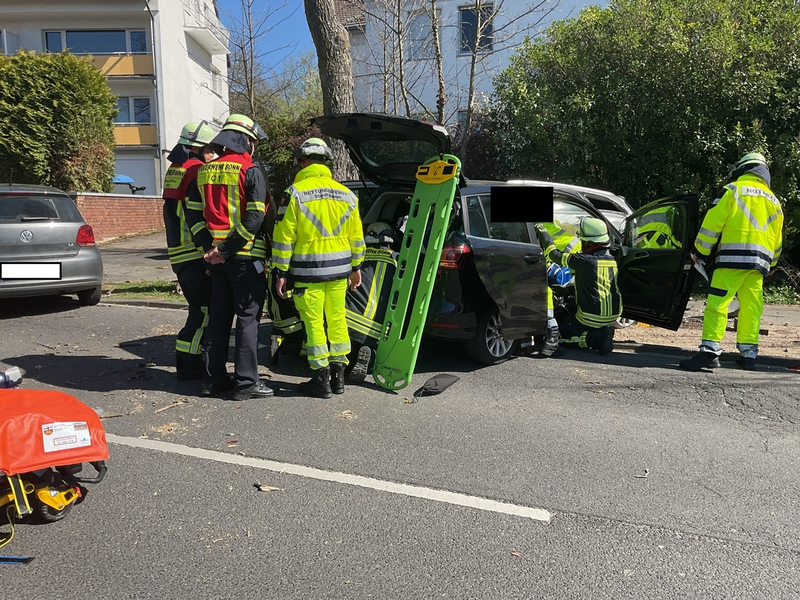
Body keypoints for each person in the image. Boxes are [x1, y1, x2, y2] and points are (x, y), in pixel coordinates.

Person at [186, 113, 274, 400]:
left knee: (219, 318)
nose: (253, 147)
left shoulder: (202, 172)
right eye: (252, 141)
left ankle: (213, 381)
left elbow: (194, 219)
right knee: (248, 321)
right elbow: (255, 218)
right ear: (244, 140)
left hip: (217, 261)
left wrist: (210, 251)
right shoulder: (250, 171)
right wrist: (225, 251)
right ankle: (246, 383)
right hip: (245, 259)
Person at [272, 138, 365, 398]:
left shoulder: (295, 193)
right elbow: (356, 236)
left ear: (302, 162)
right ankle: (339, 380)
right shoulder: (347, 195)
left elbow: (283, 237)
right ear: (327, 163)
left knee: (314, 324)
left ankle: (320, 381)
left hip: (307, 274)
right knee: (337, 320)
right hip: (339, 273)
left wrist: (280, 271)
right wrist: (356, 267)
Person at [680, 152, 783, 371]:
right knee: (751, 308)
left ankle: (709, 352)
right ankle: (749, 355)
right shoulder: (774, 201)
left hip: (731, 260)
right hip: (758, 266)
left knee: (718, 305)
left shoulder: (733, 190)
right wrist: (771, 265)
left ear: (742, 169)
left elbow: (713, 224)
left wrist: (700, 251)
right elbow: (777, 240)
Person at [162, 121, 216, 380]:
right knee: (203, 310)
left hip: (179, 251)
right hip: (193, 252)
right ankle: (190, 365)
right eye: (209, 149)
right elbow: (198, 216)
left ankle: (189, 360)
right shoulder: (196, 171)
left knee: (198, 309)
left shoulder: (176, 168)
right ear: (197, 148)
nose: (212, 155)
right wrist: (207, 253)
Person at [535, 217, 621, 355]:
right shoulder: (611, 260)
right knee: (571, 306)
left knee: (563, 336)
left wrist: (543, 232)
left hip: (589, 316)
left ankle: (596, 339)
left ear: (588, 242)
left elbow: (554, 255)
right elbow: (594, 284)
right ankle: (603, 330)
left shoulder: (585, 261)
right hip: (613, 313)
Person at [344, 222, 398, 382]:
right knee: (371, 349)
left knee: (344, 347)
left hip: (348, 318)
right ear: (389, 241)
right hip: (376, 327)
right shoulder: (396, 259)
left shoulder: (357, 256)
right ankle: (369, 355)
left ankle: (344, 362)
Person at [519, 221, 581, 357]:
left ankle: (551, 333)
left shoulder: (539, 227)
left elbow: (550, 251)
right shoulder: (552, 224)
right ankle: (551, 335)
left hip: (561, 260)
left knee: (543, 289)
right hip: (568, 261)